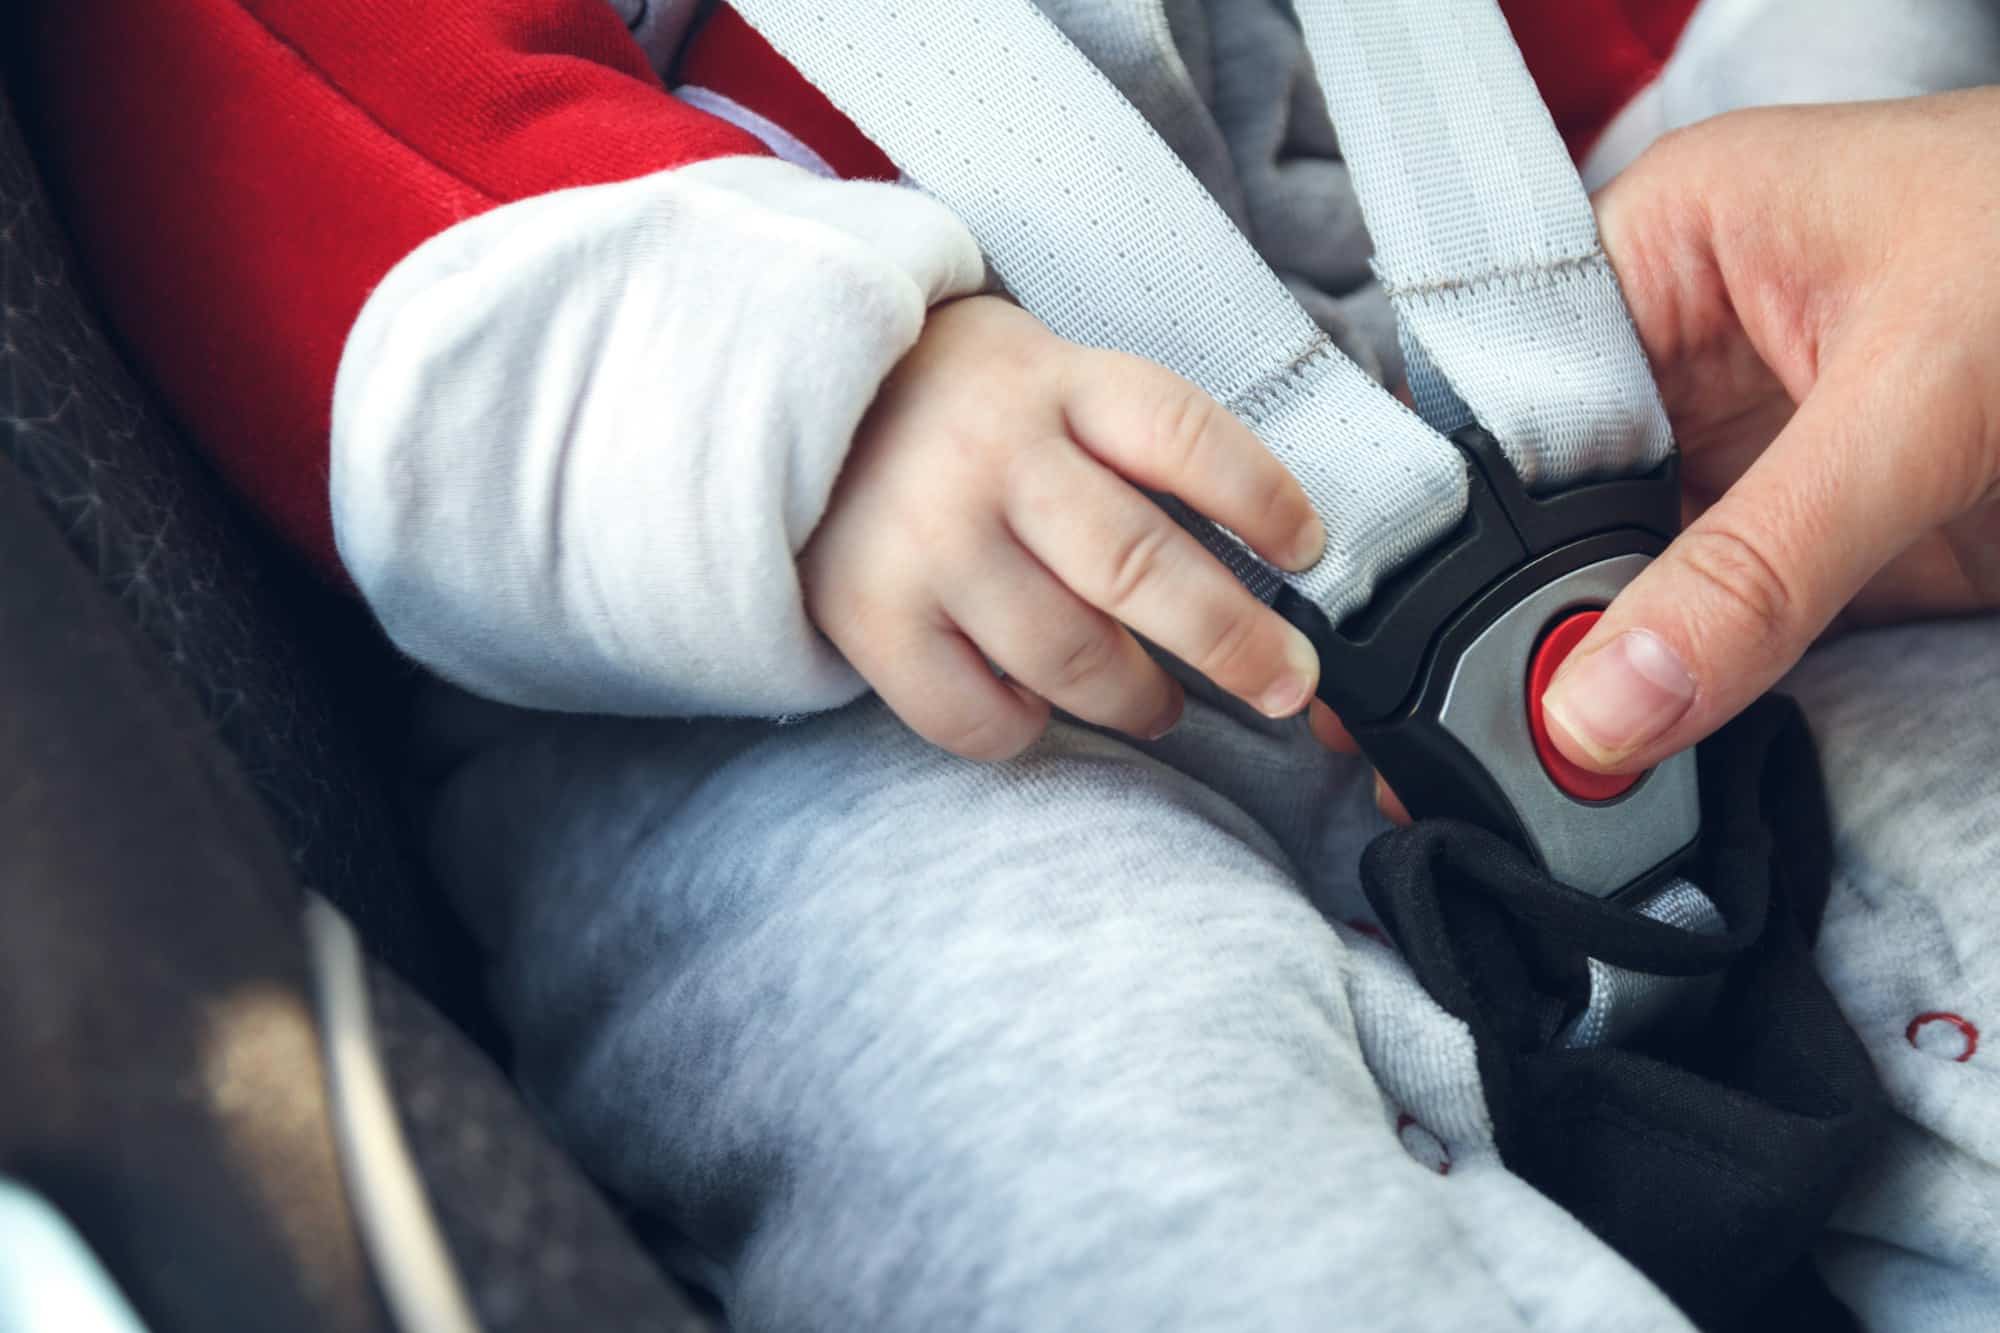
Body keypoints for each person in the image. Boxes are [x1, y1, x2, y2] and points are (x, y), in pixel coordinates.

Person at [18, 1, 2000, 1328]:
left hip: (1590, 420)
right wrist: (816, 398)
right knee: (1107, 1148)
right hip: (822, 643)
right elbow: (278, 89)